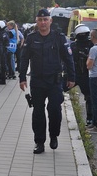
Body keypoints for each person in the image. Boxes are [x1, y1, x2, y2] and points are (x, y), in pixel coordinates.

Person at [19, 8, 75, 154]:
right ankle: (39, 142)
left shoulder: (59, 37)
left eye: (45, 20)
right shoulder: (31, 38)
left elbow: (68, 58)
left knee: (54, 110)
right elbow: (24, 59)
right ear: (36, 22)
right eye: (40, 20)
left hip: (54, 81)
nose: (43, 22)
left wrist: (72, 77)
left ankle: (54, 136)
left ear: (50, 21)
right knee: (38, 111)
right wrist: (22, 77)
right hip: (37, 81)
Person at [70, 24, 94, 126]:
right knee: (57, 91)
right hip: (77, 75)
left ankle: (90, 118)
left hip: (82, 75)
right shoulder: (74, 45)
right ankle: (90, 118)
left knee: (89, 97)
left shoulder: (91, 45)